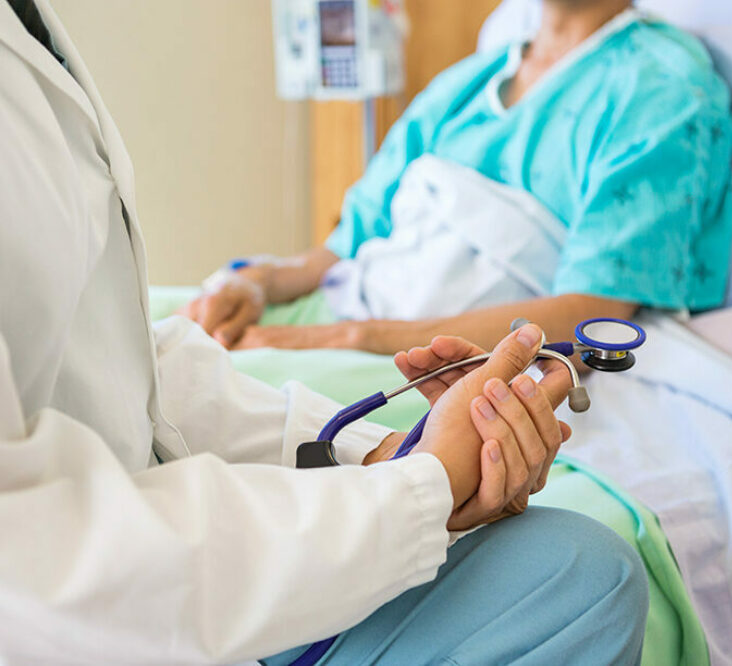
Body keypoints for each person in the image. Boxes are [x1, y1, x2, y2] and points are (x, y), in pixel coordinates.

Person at [0, 1, 648, 664]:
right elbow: (36, 558)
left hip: (370, 327)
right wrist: (418, 486)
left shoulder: (664, 83)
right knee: (590, 579)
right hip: (105, 601)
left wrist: (388, 452)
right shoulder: (464, 83)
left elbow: (116, 359)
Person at [182, 0, 732, 356]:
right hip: (346, 307)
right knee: (149, 335)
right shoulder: (465, 84)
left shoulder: (667, 89)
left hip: (426, 358)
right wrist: (256, 282)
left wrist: (349, 341)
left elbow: (593, 312)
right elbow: (346, 245)